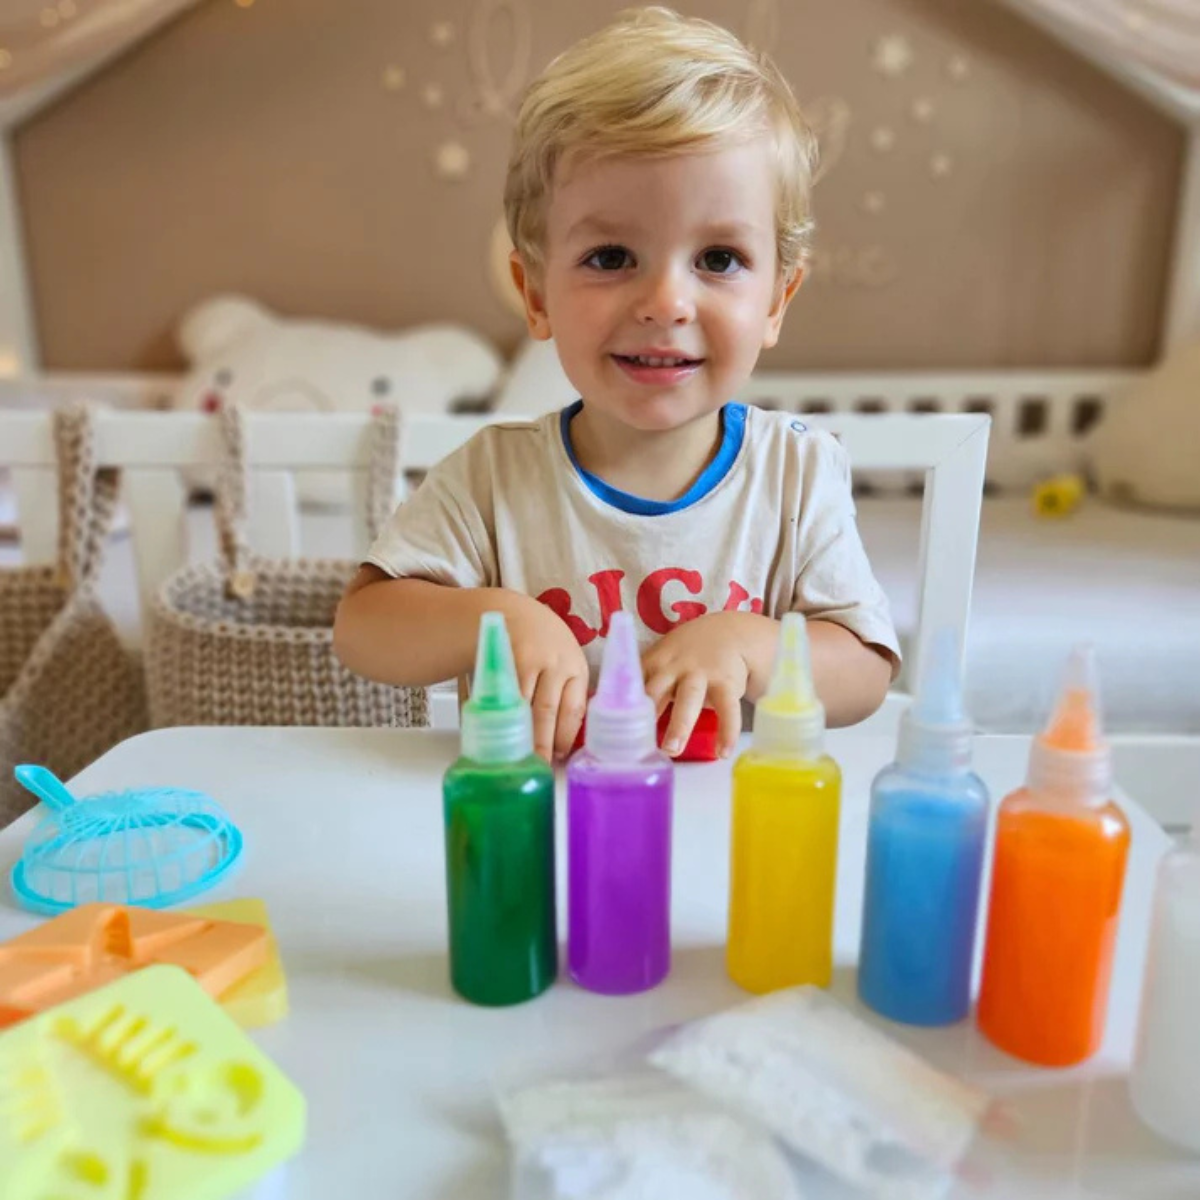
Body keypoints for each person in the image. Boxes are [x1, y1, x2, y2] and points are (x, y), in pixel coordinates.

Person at [334, 6, 898, 762]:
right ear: (535, 294)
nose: (666, 303)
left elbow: (865, 670)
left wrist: (750, 645)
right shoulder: (490, 478)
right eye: (610, 257)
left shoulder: (796, 474)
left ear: (777, 301)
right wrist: (496, 621)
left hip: (721, 822)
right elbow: (363, 628)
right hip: (532, 819)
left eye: (719, 260)